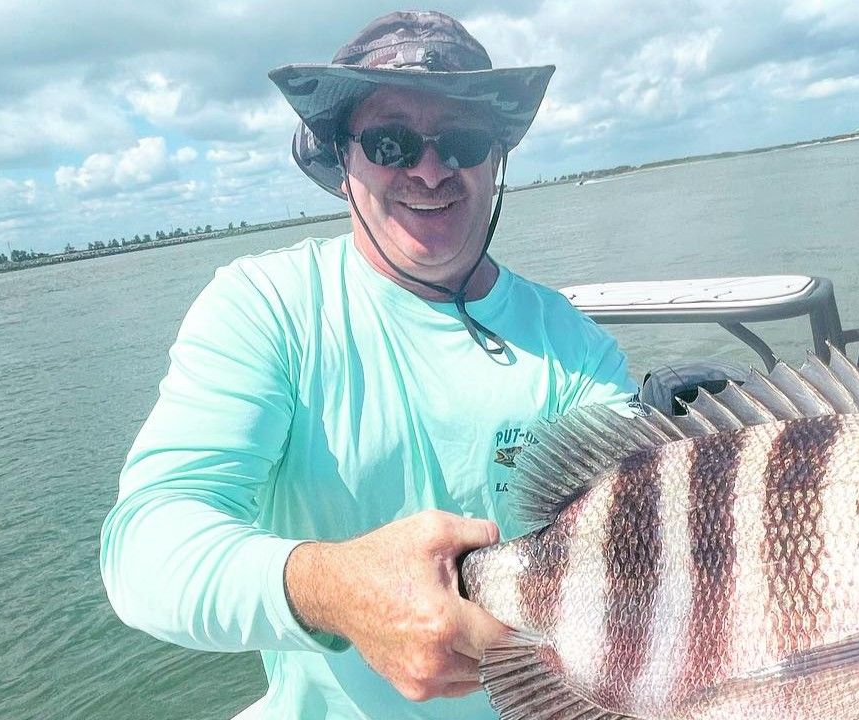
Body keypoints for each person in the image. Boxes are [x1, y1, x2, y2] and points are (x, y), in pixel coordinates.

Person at [99, 11, 635, 719]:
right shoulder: (267, 308)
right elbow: (145, 546)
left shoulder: (578, 350)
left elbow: (644, 547)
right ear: (343, 162)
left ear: (496, 160)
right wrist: (338, 588)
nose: (430, 168)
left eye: (464, 140)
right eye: (391, 142)